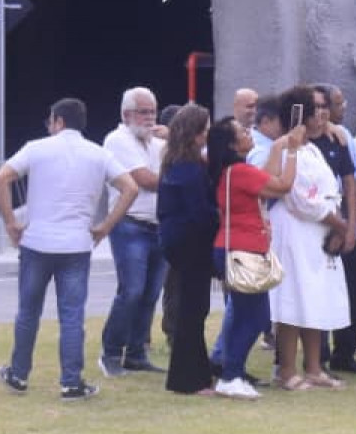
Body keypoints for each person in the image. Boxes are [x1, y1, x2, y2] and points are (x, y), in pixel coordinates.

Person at [0, 98, 139, 400]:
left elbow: (2, 177)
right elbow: (130, 187)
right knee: (72, 315)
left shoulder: (37, 148)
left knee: (28, 311)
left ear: (57, 121)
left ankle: (19, 373)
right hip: (76, 244)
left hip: (37, 241)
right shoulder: (98, 154)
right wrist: (105, 226)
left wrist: (11, 222)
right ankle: (71, 381)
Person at [267, 84, 356, 390]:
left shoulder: (314, 148)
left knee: (316, 297)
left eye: (323, 108)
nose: (322, 114)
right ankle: (287, 370)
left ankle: (315, 367)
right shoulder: (283, 147)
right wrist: (339, 224)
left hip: (320, 230)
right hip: (295, 231)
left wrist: (336, 224)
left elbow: (333, 189)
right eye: (314, 108)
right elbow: (299, 198)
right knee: (293, 297)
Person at [209, 115, 299, 398]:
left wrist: (277, 150)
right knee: (255, 316)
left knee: (243, 314)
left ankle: (230, 369)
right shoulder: (240, 172)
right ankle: (231, 373)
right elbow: (282, 185)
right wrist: (293, 150)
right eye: (242, 132)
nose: (249, 134)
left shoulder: (233, 171)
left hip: (234, 246)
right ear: (233, 144)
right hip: (243, 247)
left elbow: (267, 180)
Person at [100, 86, 168, 377]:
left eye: (153, 111)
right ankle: (111, 353)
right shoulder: (117, 140)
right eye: (143, 112)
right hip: (130, 225)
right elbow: (146, 180)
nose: (150, 118)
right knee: (131, 291)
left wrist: (174, 140)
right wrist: (176, 176)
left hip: (159, 224)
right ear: (126, 114)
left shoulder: (157, 142)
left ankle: (137, 352)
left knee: (151, 293)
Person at [156, 103, 218, 396]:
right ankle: (187, 379)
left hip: (179, 242)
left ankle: (197, 374)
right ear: (195, 134)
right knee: (192, 311)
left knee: (192, 309)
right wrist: (221, 219)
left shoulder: (176, 164)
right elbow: (199, 214)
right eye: (205, 130)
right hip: (190, 244)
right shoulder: (189, 169)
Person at [319, 86, 356, 376]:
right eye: (336, 104)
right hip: (322, 223)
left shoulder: (343, 136)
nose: (341, 109)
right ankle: (320, 355)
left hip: (350, 219)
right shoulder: (307, 141)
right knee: (320, 290)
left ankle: (346, 349)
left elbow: (354, 178)